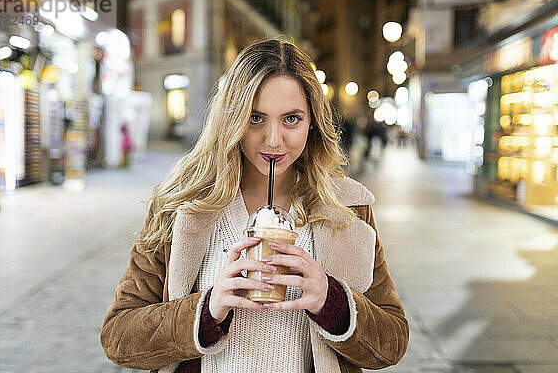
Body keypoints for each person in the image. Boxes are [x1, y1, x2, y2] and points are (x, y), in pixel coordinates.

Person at [101, 39, 408, 373]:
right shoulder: (181, 203)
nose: (273, 139)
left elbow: (392, 342)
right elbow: (119, 337)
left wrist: (331, 301)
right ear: (231, 119)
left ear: (313, 122)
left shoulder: (348, 207)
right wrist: (206, 311)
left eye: (291, 119)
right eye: (255, 117)